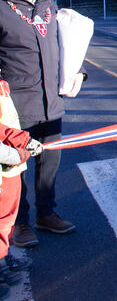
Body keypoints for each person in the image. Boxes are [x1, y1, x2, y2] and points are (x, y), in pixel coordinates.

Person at [0, 0, 86, 248]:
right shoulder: (1, 9)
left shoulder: (49, 5)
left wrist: (79, 72)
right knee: (18, 167)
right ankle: (20, 224)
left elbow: (67, 45)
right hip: (16, 106)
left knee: (50, 161)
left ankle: (46, 215)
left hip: (51, 102)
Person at [0, 74, 44, 296]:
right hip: (6, 161)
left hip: (10, 168)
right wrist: (20, 146)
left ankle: (3, 260)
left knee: (7, 220)